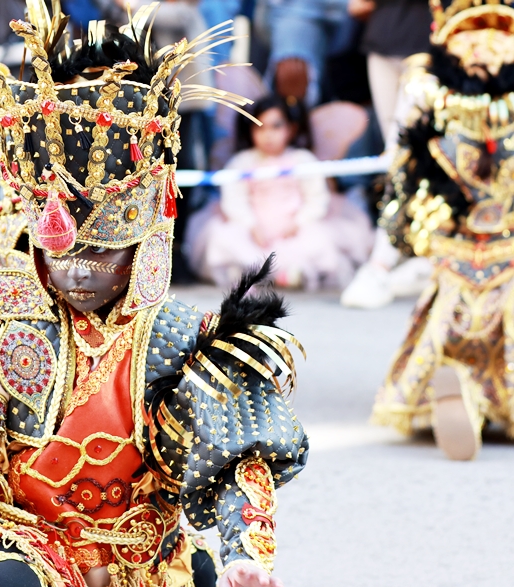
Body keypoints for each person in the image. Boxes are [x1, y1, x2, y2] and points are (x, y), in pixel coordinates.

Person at [0, 8, 308, 587]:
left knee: (208, 580)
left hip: (143, 556)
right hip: (30, 546)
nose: (80, 274)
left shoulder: (178, 337)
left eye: (103, 256)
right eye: (64, 256)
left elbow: (231, 461)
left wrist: (247, 554)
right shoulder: (12, 331)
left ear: (141, 249)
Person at [372, 0, 514, 461]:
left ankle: (476, 399)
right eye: (471, 33)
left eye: (497, 33)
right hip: (457, 246)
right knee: (453, 327)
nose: (484, 45)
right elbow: (404, 169)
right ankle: (464, 401)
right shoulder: (429, 93)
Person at [188, 95, 371, 290]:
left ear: (290, 129)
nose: (268, 134)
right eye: (260, 127)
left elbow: (316, 199)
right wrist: (251, 225)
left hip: (293, 230)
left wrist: (298, 223)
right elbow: (234, 200)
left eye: (276, 127)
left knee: (319, 239)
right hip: (254, 231)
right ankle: (248, 270)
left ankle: (293, 272)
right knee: (222, 236)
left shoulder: (302, 160)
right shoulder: (242, 162)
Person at [340, 0, 435, 310]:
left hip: (433, 48)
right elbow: (357, 6)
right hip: (384, 40)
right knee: (396, 154)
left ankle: (383, 261)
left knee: (409, 152)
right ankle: (400, 256)